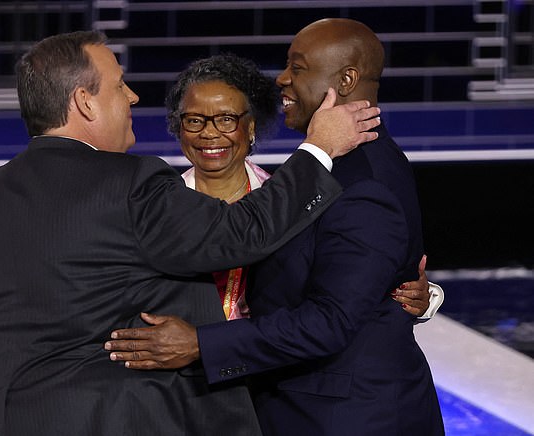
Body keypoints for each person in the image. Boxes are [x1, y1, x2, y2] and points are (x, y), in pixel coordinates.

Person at [0, 30, 380, 435]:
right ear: (85, 102)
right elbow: (244, 231)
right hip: (100, 419)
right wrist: (319, 147)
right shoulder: (130, 183)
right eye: (118, 85)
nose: (132, 96)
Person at [107, 19, 445, 435]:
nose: (282, 79)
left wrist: (200, 343)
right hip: (228, 400)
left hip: (339, 415)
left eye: (297, 68)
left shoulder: (347, 181)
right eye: (194, 120)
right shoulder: (313, 177)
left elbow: (332, 317)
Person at [166, 53, 442, 321]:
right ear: (179, 128)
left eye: (226, 119)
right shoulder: (156, 202)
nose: (209, 132)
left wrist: (416, 293)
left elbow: (342, 285)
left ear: (251, 126)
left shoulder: (297, 198)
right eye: (194, 120)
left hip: (266, 359)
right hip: (173, 359)